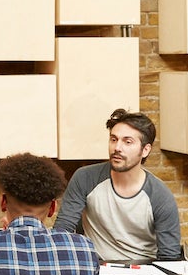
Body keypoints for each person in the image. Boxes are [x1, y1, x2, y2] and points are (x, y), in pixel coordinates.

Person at [55, 109, 181, 263]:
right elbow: (61, 233)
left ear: (145, 150)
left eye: (127, 142)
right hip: (97, 269)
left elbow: (169, 257)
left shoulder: (160, 195)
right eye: (114, 139)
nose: (117, 148)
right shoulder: (85, 178)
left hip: (143, 271)